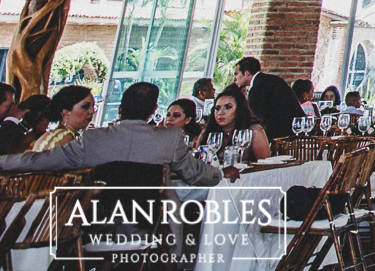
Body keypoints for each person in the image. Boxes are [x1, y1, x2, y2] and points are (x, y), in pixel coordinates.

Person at [0, 83, 219, 187]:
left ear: (120, 109)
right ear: (153, 111)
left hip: (100, 222)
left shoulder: (93, 139)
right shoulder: (170, 139)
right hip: (155, 223)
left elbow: (39, 160)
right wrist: (220, 174)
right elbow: (197, 175)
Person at [233, 58, 299, 145]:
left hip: (280, 140)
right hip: (295, 135)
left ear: (246, 73)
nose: (235, 78)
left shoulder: (257, 88)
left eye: (237, 74)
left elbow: (257, 120)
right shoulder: (273, 79)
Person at [202, 88, 272, 160]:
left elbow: (264, 165)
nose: (220, 112)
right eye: (217, 108)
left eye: (228, 107)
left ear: (239, 109)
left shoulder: (254, 131)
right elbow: (196, 164)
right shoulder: (207, 132)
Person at [34, 85, 95, 152]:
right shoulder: (66, 138)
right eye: (85, 106)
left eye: (93, 106)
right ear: (65, 113)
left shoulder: (51, 135)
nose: (92, 111)